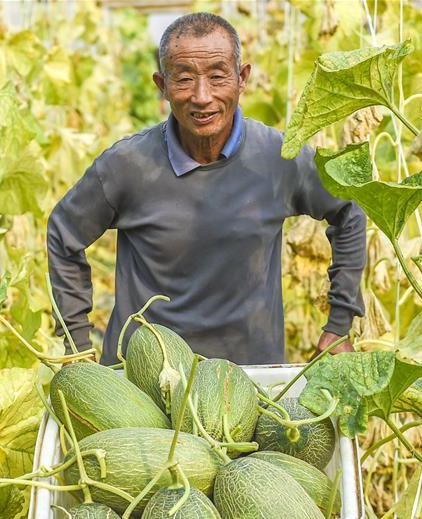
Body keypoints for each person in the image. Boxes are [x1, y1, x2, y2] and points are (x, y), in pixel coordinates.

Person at [47, 12, 366, 366]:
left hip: (249, 380)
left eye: (217, 76)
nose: (202, 96)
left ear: (242, 79)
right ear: (162, 85)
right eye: (183, 79)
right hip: (141, 384)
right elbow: (64, 233)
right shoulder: (127, 165)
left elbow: (350, 208)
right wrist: (76, 345)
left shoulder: (279, 158)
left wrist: (339, 324)